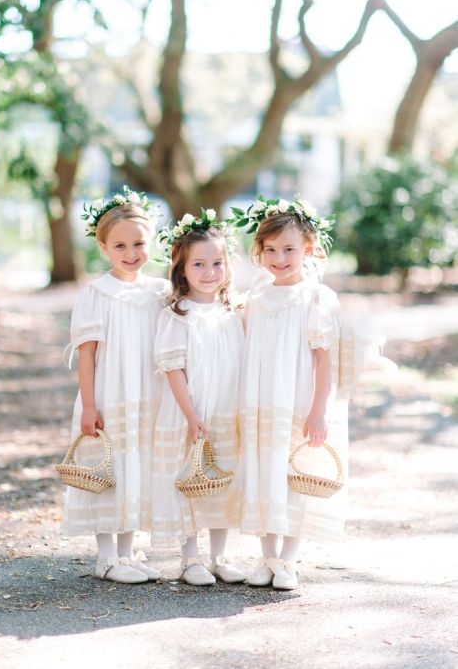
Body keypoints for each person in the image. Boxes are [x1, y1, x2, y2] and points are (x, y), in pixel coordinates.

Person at [234, 196, 346, 591]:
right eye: (270, 250)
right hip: (261, 396)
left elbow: (322, 360)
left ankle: (289, 559)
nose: (279, 258)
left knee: (296, 473)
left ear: (309, 249)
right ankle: (267, 555)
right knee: (264, 469)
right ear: (259, 251)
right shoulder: (259, 295)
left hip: (297, 396)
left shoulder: (316, 297)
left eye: (289, 249)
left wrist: (319, 410)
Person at [61, 186, 170, 584]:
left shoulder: (159, 291)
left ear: (151, 242)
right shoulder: (96, 293)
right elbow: (87, 354)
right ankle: (106, 556)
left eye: (139, 243)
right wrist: (90, 406)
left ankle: (127, 553)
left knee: (135, 468)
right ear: (103, 247)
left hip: (147, 395)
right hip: (109, 394)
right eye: (120, 245)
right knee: (106, 469)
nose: (131, 252)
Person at [151, 210, 246, 586]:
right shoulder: (178, 315)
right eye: (200, 264)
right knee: (189, 480)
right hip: (191, 410)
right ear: (182, 269)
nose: (210, 272)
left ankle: (220, 556)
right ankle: (190, 559)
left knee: (222, 478)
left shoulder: (232, 311)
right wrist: (190, 416)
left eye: (217, 263)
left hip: (227, 408)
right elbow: (174, 370)